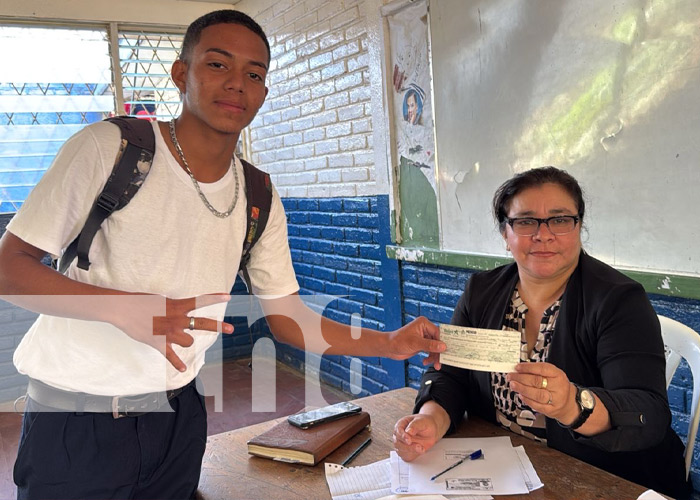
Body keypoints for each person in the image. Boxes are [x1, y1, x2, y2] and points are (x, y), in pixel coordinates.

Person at [0, 10, 445, 500]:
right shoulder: (112, 148)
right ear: (180, 73)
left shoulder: (257, 193)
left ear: (263, 93)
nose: (237, 84)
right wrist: (125, 308)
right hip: (75, 420)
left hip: (179, 419)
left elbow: (289, 318)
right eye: (217, 65)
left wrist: (388, 343)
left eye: (254, 74)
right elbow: (9, 267)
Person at [392, 166, 691, 499]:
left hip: (605, 479)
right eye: (525, 221)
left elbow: (648, 413)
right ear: (506, 235)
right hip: (502, 470)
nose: (544, 234)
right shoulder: (481, 291)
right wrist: (431, 421)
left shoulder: (619, 300)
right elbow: (451, 376)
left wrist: (573, 404)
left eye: (560, 219)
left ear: (579, 227)